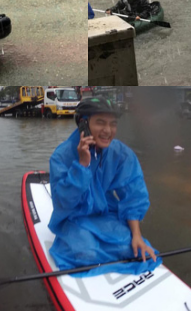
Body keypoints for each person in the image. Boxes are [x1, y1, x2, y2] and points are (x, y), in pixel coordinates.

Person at [48, 97, 162, 276]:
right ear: (83, 124)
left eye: (113, 124)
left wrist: (137, 235)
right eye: (100, 123)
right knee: (86, 254)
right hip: (73, 218)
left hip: (104, 215)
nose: (107, 131)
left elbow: (133, 196)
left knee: (131, 249)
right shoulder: (61, 156)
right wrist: (82, 165)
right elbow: (63, 203)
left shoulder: (121, 154)